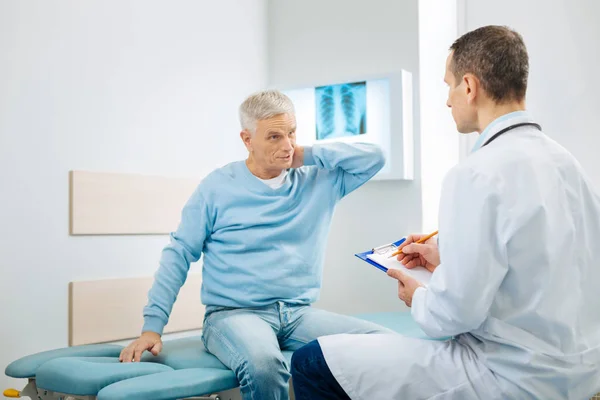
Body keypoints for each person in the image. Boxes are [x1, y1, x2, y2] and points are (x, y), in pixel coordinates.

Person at [290, 25, 600, 400]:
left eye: (449, 85)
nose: (447, 101)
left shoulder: (475, 173)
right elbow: (544, 265)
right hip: (581, 372)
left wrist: (417, 296)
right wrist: (447, 259)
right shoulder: (566, 163)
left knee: (311, 362)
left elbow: (451, 317)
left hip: (508, 376)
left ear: (469, 87)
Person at [118, 89, 393, 399]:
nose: (286, 145)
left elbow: (376, 157)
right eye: (274, 137)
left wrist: (304, 154)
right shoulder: (218, 187)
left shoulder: (318, 181)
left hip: (298, 314)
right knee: (265, 366)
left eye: (291, 133)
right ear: (247, 139)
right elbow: (179, 254)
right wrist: (152, 328)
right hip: (232, 314)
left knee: (386, 346)